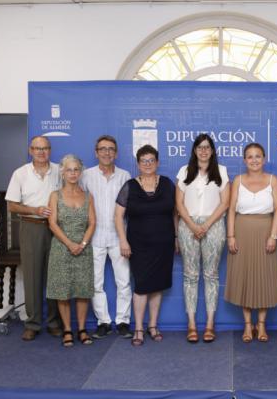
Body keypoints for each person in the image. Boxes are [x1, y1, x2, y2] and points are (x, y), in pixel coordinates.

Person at [115, 144, 177, 346]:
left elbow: (174, 213)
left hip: (164, 243)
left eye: (151, 160)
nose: (148, 164)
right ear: (138, 164)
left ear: (157, 163)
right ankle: (139, 328)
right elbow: (118, 217)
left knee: (157, 286)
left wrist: (176, 238)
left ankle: (153, 326)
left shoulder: (168, 184)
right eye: (144, 161)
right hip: (138, 245)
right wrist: (123, 240)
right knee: (141, 286)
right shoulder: (129, 186)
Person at [5, 135, 61, 341]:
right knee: (32, 277)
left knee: (55, 277)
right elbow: (11, 205)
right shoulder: (20, 173)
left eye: (45, 148)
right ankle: (33, 323)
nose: (41, 152)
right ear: (30, 150)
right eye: (37, 148)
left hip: (56, 228)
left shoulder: (59, 171)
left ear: (50, 150)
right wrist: (34, 209)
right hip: (31, 227)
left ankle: (55, 322)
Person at [225, 143, 277, 343]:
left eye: (258, 156)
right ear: (244, 160)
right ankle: (248, 325)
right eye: (250, 156)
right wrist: (230, 236)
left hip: (266, 231)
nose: (254, 160)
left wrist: (273, 236)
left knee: (264, 276)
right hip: (241, 231)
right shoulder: (238, 180)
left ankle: (262, 325)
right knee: (245, 277)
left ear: (264, 159)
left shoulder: (273, 180)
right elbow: (231, 210)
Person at [176, 134, 230, 343]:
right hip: (187, 225)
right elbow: (179, 203)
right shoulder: (184, 171)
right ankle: (191, 324)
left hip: (214, 225)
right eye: (200, 147)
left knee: (211, 275)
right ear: (194, 150)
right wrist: (191, 224)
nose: (204, 151)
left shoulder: (222, 171)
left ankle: (209, 325)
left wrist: (206, 225)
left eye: (207, 147)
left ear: (212, 150)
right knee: (190, 275)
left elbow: (225, 203)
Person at [80, 135, 133, 339]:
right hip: (94, 236)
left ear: (116, 153)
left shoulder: (124, 175)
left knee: (124, 281)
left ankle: (122, 321)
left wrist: (125, 238)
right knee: (95, 283)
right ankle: (103, 321)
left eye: (111, 149)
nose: (107, 152)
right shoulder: (85, 176)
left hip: (120, 236)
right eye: (102, 149)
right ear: (96, 152)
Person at [46, 154, 96, 347]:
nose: (73, 173)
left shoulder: (88, 196)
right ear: (62, 172)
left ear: (80, 172)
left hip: (83, 250)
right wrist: (69, 244)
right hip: (61, 248)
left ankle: (82, 329)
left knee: (83, 291)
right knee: (63, 292)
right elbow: (52, 224)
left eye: (76, 170)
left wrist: (82, 244)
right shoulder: (55, 195)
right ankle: (67, 329)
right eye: (69, 170)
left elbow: (92, 223)